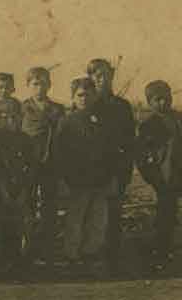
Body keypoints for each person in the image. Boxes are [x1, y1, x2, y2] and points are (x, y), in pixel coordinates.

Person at [54, 77, 115, 269]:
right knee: (75, 219)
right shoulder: (66, 122)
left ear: (95, 96)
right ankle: (72, 254)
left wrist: (110, 177)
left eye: (88, 95)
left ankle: (91, 252)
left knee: (98, 219)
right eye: (80, 95)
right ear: (73, 98)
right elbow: (59, 153)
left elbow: (109, 151)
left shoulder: (102, 121)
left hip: (99, 179)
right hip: (76, 180)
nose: (84, 99)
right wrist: (63, 180)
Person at [87, 58, 136, 275]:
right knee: (92, 216)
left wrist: (123, 171)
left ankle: (113, 262)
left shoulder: (122, 107)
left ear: (112, 75)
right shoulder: (85, 103)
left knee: (113, 214)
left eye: (105, 74)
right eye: (96, 75)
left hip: (115, 169)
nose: (101, 79)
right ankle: (92, 261)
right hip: (91, 170)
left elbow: (128, 142)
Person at [135, 80, 182, 271]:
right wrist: (153, 179)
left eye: (167, 98)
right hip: (164, 178)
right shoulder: (148, 126)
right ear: (150, 102)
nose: (163, 102)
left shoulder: (179, 118)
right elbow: (141, 158)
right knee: (165, 214)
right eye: (158, 99)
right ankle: (162, 250)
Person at [21, 67, 65, 266]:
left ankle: (48, 249)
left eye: (43, 83)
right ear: (28, 86)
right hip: (29, 164)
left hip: (52, 163)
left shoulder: (57, 109)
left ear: (49, 84)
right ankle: (29, 249)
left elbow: (63, 136)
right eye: (35, 84)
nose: (39, 88)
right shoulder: (22, 108)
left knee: (49, 206)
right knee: (28, 205)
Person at [0, 97, 37, 278]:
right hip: (1, 190)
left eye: (16, 117)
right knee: (2, 226)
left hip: (21, 189)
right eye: (7, 117)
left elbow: (31, 167)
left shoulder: (26, 140)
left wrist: (24, 190)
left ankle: (19, 265)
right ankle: (4, 263)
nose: (12, 121)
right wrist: (3, 190)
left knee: (21, 227)